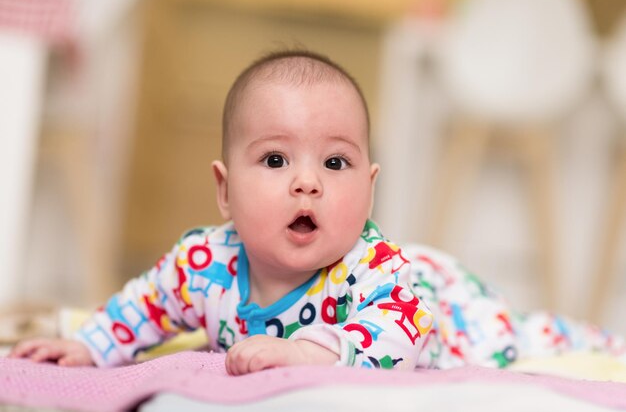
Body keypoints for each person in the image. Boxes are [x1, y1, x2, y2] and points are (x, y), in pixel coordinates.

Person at [9, 50, 625, 374]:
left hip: (447, 307)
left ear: (370, 186)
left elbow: (403, 334)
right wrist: (92, 344)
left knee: (535, 336)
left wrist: (316, 351)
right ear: (225, 191)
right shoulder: (204, 262)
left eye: (335, 164)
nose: (307, 183)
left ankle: (608, 340)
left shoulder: (372, 271)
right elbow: (145, 305)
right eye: (275, 161)